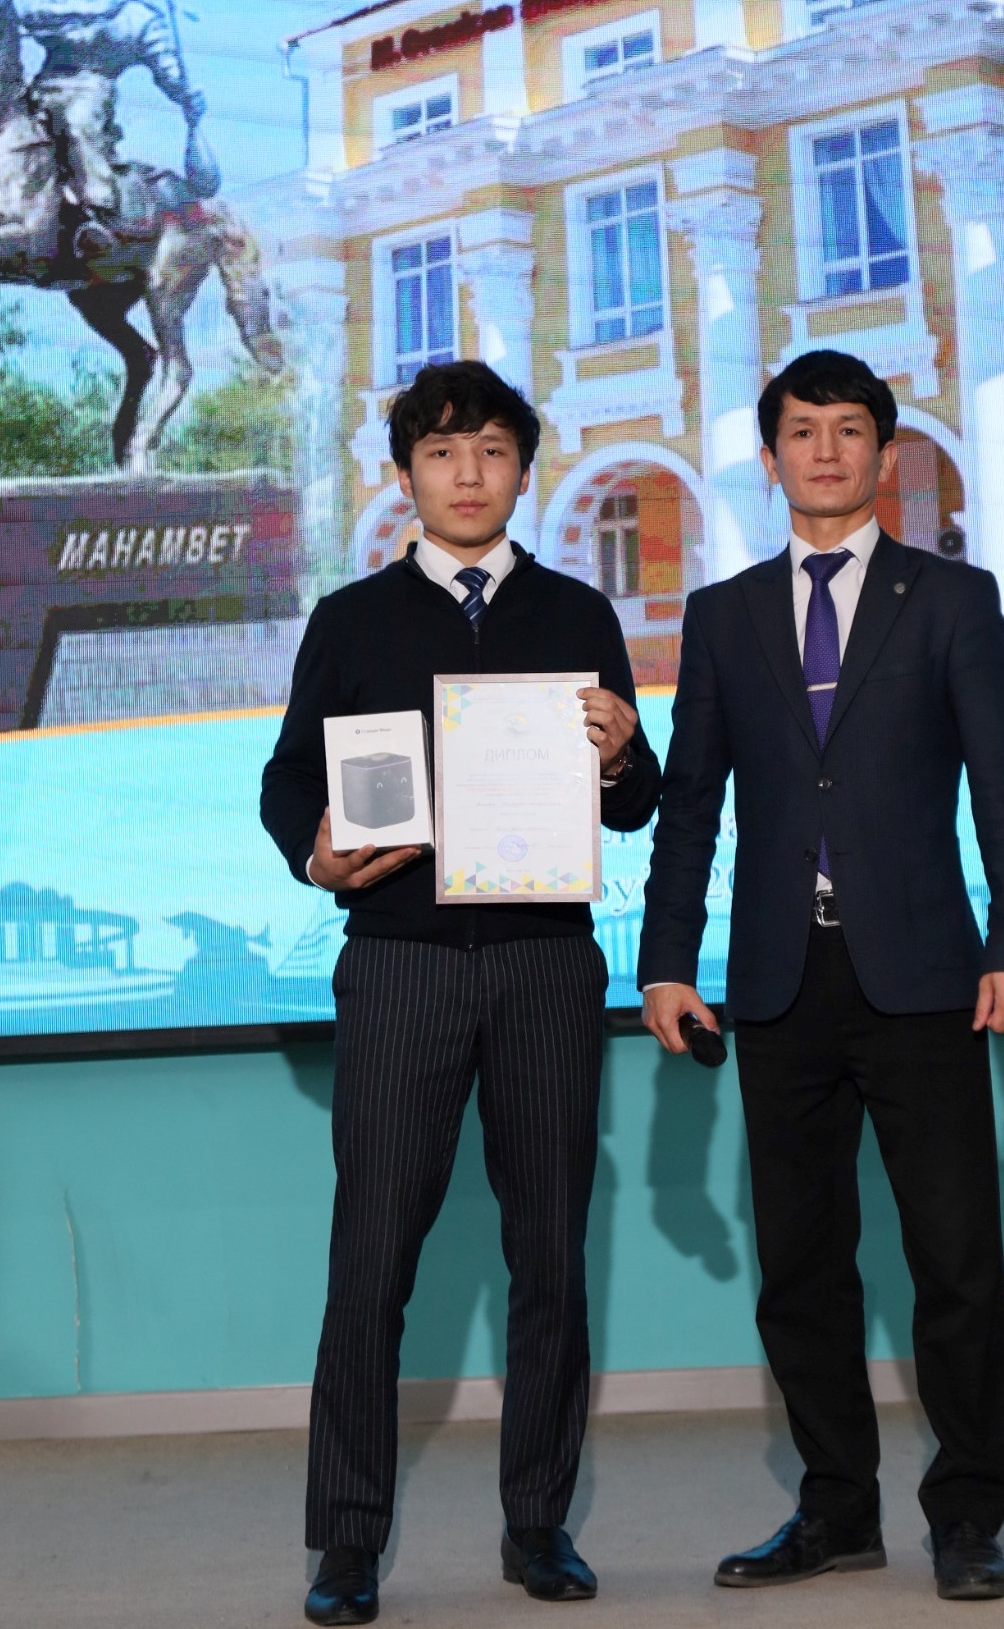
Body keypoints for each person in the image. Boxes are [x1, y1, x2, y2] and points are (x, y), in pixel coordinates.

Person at [637, 348, 1004, 1604]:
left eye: (849, 428)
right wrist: (664, 960)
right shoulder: (723, 615)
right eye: (802, 431)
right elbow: (690, 805)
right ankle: (834, 1507)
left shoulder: (953, 598)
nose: (825, 450)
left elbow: (1002, 788)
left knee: (954, 1260)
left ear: (883, 451)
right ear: (769, 459)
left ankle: (967, 1515)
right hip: (777, 982)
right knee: (801, 1267)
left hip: (924, 975)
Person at [261, 361, 661, 1626]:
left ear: (522, 469)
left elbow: (634, 798)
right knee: (370, 1254)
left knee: (548, 1252)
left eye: (490, 449)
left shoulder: (578, 612)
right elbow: (288, 777)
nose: (467, 472)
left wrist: (623, 753)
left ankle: (538, 1523)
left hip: (545, 962)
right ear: (405, 475)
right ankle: (344, 1541)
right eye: (440, 452)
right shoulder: (350, 617)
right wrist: (316, 852)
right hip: (401, 963)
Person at [18, 0, 202, 252]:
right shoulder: (58, 4)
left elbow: (167, 69)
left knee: (77, 125)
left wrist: (187, 94)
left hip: (89, 91)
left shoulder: (138, 16)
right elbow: (24, 19)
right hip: (40, 87)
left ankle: (97, 210)